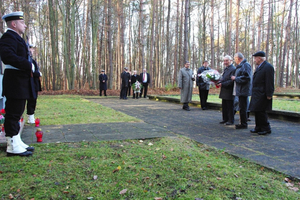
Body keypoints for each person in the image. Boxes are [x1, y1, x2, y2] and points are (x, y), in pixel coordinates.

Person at [0, 11, 34, 156]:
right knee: (13, 113)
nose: (25, 25)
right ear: (14, 24)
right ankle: (12, 146)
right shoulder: (8, 37)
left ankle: (16, 140)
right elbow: (7, 57)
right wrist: (27, 64)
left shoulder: (16, 37)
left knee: (18, 111)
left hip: (20, 81)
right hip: (15, 81)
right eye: (22, 22)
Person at [249, 51, 274, 135]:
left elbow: (269, 81)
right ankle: (258, 127)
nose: (255, 60)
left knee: (261, 111)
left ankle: (266, 128)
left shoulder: (268, 67)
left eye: (255, 58)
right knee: (257, 111)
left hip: (262, 93)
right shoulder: (259, 67)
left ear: (259, 58)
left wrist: (269, 94)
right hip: (257, 93)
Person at [231, 52, 252, 129]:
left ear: (238, 58)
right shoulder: (241, 66)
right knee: (241, 107)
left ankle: (243, 124)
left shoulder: (245, 65)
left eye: (235, 59)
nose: (235, 61)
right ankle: (242, 122)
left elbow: (247, 77)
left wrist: (235, 78)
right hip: (240, 90)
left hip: (243, 90)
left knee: (243, 107)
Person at [217, 55, 236, 125]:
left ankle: (230, 120)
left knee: (230, 106)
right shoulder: (225, 69)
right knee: (224, 106)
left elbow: (232, 81)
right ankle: (225, 119)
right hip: (224, 90)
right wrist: (219, 81)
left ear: (230, 61)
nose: (225, 62)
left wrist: (223, 84)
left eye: (226, 61)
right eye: (224, 61)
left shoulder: (233, 69)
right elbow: (223, 78)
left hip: (229, 90)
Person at [26, 45, 42, 124]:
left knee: (33, 100)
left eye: (32, 50)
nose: (32, 51)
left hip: (34, 83)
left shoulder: (32, 60)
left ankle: (31, 116)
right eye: (30, 49)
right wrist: (38, 73)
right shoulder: (27, 60)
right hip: (28, 83)